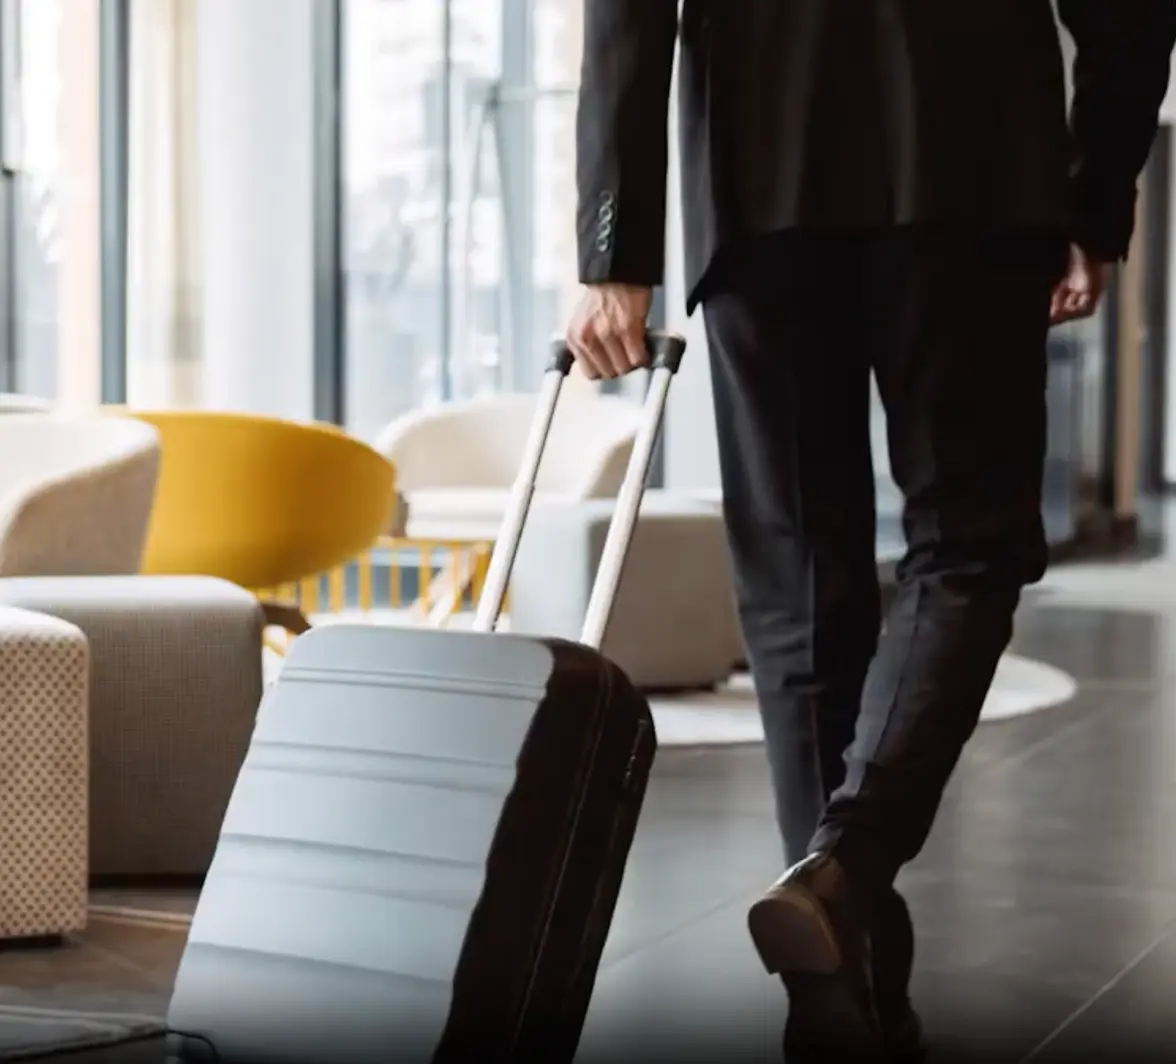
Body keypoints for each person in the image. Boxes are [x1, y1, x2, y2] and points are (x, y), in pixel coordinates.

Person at [566, 2, 1176, 1059]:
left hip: (756, 169)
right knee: (970, 544)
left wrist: (611, 239)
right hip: (975, 152)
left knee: (798, 572)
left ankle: (843, 1004)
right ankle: (844, 866)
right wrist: (1094, 191)